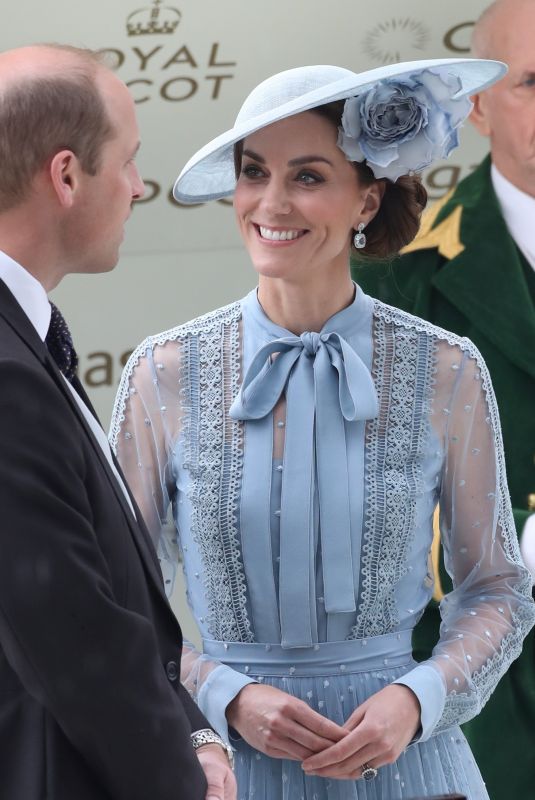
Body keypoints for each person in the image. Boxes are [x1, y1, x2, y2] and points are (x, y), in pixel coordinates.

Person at [111, 58, 535, 799]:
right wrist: (222, 694)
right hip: (224, 774)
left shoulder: (445, 367)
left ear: (365, 201)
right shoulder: (162, 372)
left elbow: (496, 589)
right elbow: (114, 598)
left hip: (412, 768)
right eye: (253, 172)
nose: (270, 202)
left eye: (306, 176)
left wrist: (418, 698)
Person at [0, 44, 236, 800]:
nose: (139, 188)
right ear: (66, 176)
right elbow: (71, 634)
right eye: (127, 162)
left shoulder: (22, 343)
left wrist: (193, 731)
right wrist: (181, 782)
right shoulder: (5, 375)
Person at [352, 2, 535, 797]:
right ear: (478, 108)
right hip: (489, 706)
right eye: (534, 82)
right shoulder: (394, 281)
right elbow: (360, 501)